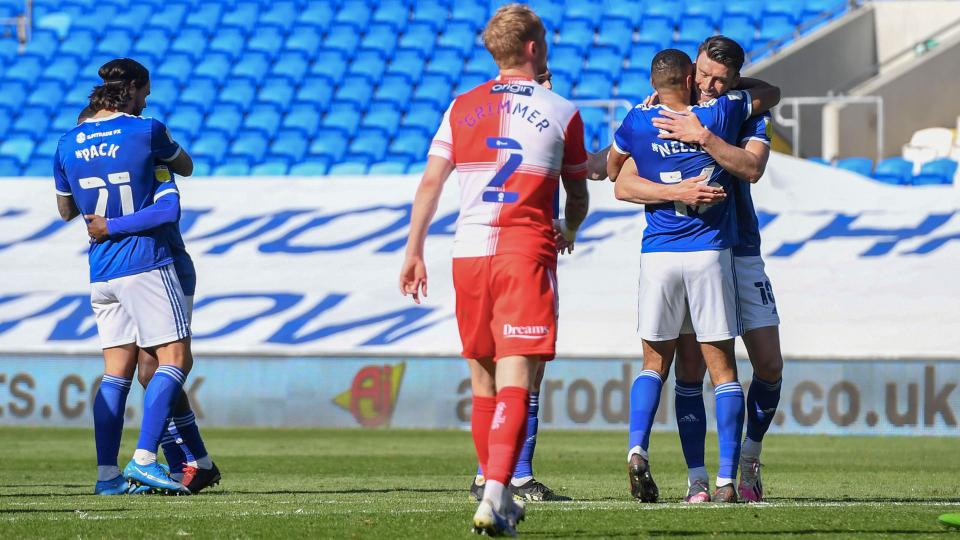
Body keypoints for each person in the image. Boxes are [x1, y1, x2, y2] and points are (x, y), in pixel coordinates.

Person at [399, 4, 589, 535]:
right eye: (544, 40)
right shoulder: (562, 110)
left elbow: (430, 185)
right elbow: (577, 193)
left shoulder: (461, 107)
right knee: (516, 377)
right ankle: (497, 496)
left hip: (467, 253)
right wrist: (571, 228)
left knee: (481, 382)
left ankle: (492, 484)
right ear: (533, 48)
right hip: (522, 251)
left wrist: (414, 249)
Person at [607, 48, 778, 503]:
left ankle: (747, 458)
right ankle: (703, 479)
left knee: (768, 364)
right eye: (703, 75)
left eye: (720, 79)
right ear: (690, 73)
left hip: (736, 251)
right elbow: (622, 182)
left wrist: (703, 136)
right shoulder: (696, 108)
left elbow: (752, 168)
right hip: (708, 250)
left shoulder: (728, 115)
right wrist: (676, 188)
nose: (709, 85)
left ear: (735, 79)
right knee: (694, 370)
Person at [54, 58, 195, 495]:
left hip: (101, 269)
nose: (146, 100)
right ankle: (145, 459)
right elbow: (185, 166)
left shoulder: (67, 142)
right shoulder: (146, 130)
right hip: (144, 260)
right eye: (145, 92)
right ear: (132, 88)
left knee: (116, 372)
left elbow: (66, 210)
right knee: (174, 359)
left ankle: (106, 476)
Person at [77, 103, 220, 494]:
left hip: (167, 264)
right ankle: (195, 463)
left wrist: (111, 227)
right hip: (129, 270)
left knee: (162, 365)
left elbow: (170, 208)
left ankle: (168, 461)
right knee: (144, 372)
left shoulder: (153, 164)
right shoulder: (110, 173)